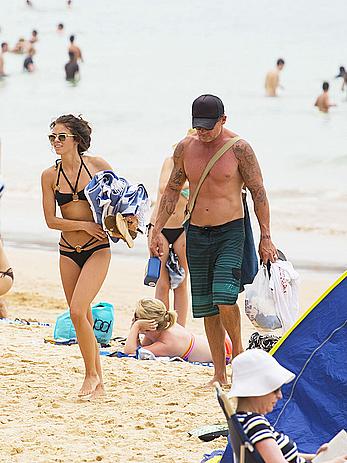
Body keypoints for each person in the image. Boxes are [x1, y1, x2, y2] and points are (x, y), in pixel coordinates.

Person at [150, 94, 277, 386]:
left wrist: (266, 237)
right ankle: (219, 373)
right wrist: (156, 229)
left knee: (225, 296)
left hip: (230, 231)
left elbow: (259, 193)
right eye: (198, 126)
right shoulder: (185, 148)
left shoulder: (240, 149)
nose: (203, 132)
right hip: (195, 232)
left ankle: (240, 361)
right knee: (207, 304)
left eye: (209, 126)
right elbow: (171, 190)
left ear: (223, 120)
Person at [41, 114, 113, 399]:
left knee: (77, 311)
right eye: (52, 137)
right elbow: (51, 220)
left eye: (61, 137)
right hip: (68, 251)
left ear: (77, 141)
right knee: (82, 316)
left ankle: (90, 374)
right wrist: (83, 225)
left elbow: (123, 201)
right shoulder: (49, 175)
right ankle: (100, 383)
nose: (56, 142)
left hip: (98, 249)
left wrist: (124, 226)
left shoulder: (97, 166)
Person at [229, 350, 347, 463]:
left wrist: (317, 458)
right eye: (275, 390)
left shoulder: (242, 421)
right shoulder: (255, 424)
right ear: (256, 389)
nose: (280, 396)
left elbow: (281, 457)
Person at [147, 137, 191, 327]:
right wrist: (188, 184)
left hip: (183, 227)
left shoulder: (201, 167)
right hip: (160, 225)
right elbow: (165, 187)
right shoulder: (170, 161)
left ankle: (179, 329)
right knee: (162, 282)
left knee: (181, 283)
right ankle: (161, 327)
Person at [124, 297, 232, 362]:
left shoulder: (167, 342)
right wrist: (137, 330)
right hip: (221, 341)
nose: (134, 319)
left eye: (136, 317)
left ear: (149, 324)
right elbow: (142, 348)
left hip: (225, 351)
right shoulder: (162, 327)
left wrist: (135, 327)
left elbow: (131, 353)